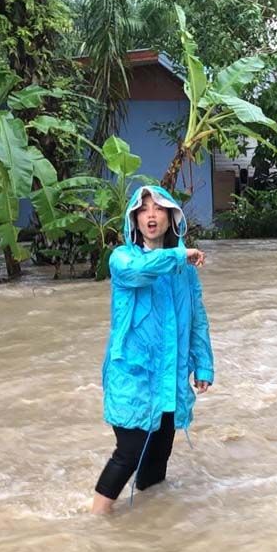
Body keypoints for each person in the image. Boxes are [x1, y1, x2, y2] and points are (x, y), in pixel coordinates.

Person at [91, 185, 214, 515]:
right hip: (133, 376)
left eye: (158, 209)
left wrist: (203, 364)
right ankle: (95, 521)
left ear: (171, 218)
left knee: (159, 454)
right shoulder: (123, 259)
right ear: (134, 219)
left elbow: (197, 318)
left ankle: (151, 528)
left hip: (170, 376)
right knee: (128, 452)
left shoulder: (185, 272)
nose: (150, 215)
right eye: (143, 210)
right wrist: (179, 255)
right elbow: (138, 273)